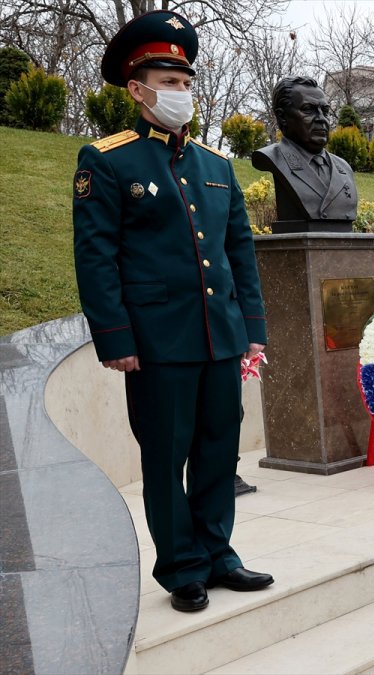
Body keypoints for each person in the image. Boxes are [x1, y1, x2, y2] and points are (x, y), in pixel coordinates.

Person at [72, 10, 273, 613]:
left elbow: (239, 253)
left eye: (186, 83)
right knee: (165, 456)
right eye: (169, 83)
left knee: (219, 448)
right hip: (157, 342)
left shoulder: (216, 166)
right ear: (138, 90)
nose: (181, 93)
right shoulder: (108, 160)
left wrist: (253, 330)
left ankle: (219, 554)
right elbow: (96, 256)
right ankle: (181, 566)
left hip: (220, 338)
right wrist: (114, 337)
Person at [251, 76, 358, 231]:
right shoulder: (273, 158)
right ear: (282, 117)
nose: (322, 119)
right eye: (308, 110)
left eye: (325, 111)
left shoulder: (343, 167)